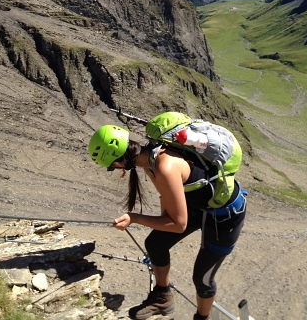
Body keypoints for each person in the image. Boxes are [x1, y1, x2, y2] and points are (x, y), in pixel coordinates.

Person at [88, 118, 247, 320]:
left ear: (119, 162)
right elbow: (168, 204)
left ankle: (203, 318)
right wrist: (159, 225)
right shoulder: (150, 161)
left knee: (203, 279)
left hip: (225, 215)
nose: (116, 169)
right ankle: (162, 298)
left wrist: (134, 218)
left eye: (112, 167)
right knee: (155, 243)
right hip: (198, 205)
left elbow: (178, 224)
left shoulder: (164, 166)